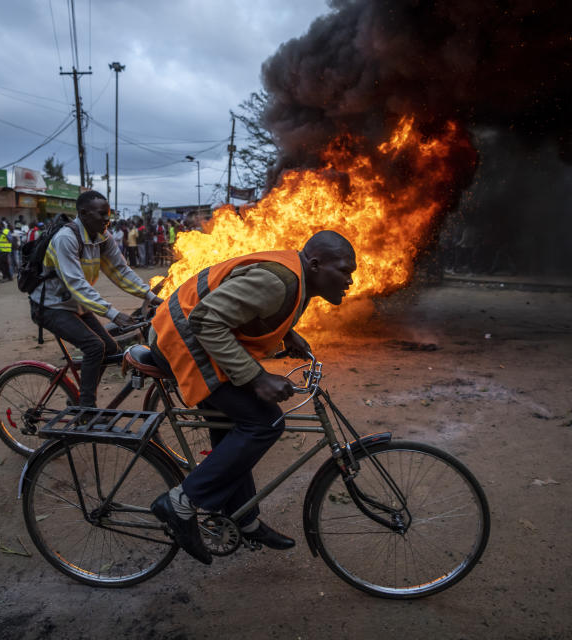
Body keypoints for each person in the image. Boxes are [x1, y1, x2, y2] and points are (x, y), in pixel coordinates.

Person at [146, 230, 357, 564]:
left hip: (194, 336)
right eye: (345, 271)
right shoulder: (279, 282)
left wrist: (287, 333)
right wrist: (257, 377)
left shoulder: (296, 279)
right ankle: (179, 503)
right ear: (316, 264)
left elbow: (248, 307)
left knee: (237, 428)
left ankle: (243, 520)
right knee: (265, 421)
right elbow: (206, 319)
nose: (349, 281)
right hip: (181, 339)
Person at [29, 191, 163, 407]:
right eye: (101, 215)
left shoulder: (103, 238)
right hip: (50, 306)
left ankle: (81, 399)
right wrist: (112, 313)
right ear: (83, 213)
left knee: (109, 348)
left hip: (76, 305)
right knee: (94, 347)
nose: (106, 221)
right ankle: (86, 409)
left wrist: (151, 297)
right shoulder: (66, 238)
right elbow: (76, 284)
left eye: (108, 215)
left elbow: (120, 271)